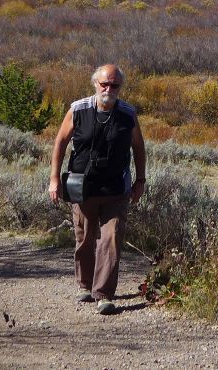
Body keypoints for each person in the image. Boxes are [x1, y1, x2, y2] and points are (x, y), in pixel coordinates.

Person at [48, 63, 146, 315]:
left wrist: (140, 181)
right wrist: (54, 179)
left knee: (111, 239)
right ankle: (85, 285)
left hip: (116, 189)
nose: (109, 89)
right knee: (85, 238)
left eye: (115, 85)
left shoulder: (127, 113)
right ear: (95, 83)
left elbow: (138, 147)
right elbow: (60, 142)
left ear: (120, 87)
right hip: (83, 188)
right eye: (105, 84)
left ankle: (103, 294)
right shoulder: (78, 109)